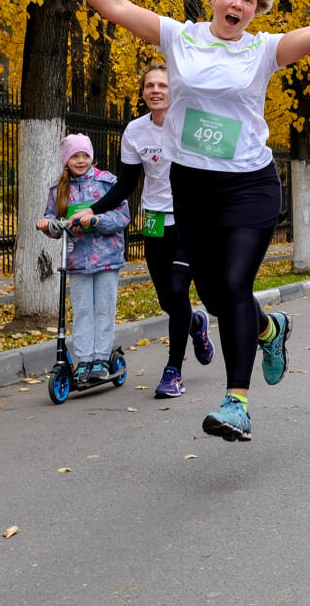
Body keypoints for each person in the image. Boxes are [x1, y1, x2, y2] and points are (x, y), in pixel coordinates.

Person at [35, 0, 310, 442]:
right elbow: (113, 4)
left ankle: (236, 403)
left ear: (256, 9)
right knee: (217, 295)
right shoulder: (179, 38)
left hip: (249, 185)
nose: (239, 4)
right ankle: (272, 328)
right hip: (192, 186)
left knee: (234, 285)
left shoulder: (263, 50)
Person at [86, 64, 214, 399]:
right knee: (167, 300)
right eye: (150, 85)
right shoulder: (135, 132)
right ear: (143, 92)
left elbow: (220, 167)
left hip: (190, 221)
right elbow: (126, 183)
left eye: (163, 85)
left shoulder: (193, 124)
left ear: (175, 91)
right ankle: (197, 325)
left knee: (176, 290)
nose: (156, 90)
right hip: (155, 220)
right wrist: (93, 209)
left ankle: (173, 371)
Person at [36, 134, 131, 387]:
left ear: (91, 157)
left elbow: (122, 218)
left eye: (85, 156)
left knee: (103, 308)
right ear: (66, 160)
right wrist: (47, 225)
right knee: (83, 311)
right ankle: (85, 360)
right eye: (75, 156)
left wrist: (96, 220)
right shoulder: (58, 190)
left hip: (107, 258)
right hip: (76, 260)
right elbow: (55, 222)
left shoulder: (106, 182)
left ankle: (101, 357)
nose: (80, 161)